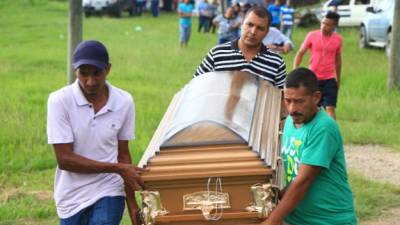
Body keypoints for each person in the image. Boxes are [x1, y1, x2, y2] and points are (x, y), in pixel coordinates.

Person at [47, 40, 144, 225]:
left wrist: (132, 203)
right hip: (71, 195)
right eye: (84, 74)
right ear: (75, 70)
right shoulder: (59, 101)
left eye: (97, 73)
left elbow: (123, 154)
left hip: (109, 188)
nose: (90, 82)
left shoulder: (124, 101)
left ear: (108, 69)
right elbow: (65, 160)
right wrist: (117, 168)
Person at [260, 67, 356, 225]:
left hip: (328, 220)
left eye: (299, 101)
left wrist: (272, 221)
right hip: (297, 218)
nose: (292, 109)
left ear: (316, 97)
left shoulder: (323, 127)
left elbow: (304, 180)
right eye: (288, 101)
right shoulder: (291, 122)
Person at [195, 6, 286, 89]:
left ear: (267, 32)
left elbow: (281, 99)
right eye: (250, 25)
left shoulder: (276, 63)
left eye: (260, 28)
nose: (253, 32)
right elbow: (195, 86)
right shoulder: (217, 54)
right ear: (242, 24)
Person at [293, 11, 342, 119]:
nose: (324, 26)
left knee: (330, 108)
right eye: (323, 23)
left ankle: (331, 132)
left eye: (328, 24)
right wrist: (294, 71)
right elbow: (300, 53)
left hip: (329, 79)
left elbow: (338, 61)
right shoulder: (312, 35)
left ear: (334, 26)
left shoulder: (338, 39)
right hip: (313, 79)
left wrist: (338, 79)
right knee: (313, 108)